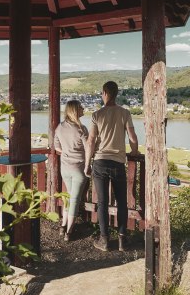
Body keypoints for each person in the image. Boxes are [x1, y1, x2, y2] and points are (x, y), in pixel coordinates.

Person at [86, 81, 138, 251]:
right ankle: (122, 239)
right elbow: (132, 137)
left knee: (102, 202)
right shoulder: (125, 113)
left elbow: (91, 141)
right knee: (122, 201)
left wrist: (87, 164)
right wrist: (134, 152)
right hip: (118, 162)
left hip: (100, 161)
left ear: (105, 93)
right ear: (116, 94)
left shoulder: (96, 115)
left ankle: (104, 240)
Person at [52, 100, 88, 241]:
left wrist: (67, 151)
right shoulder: (81, 129)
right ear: (75, 111)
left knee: (68, 197)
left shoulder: (60, 127)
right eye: (80, 107)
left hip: (65, 168)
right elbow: (88, 148)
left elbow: (57, 147)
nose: (83, 108)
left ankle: (63, 225)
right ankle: (69, 231)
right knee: (74, 199)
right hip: (78, 168)